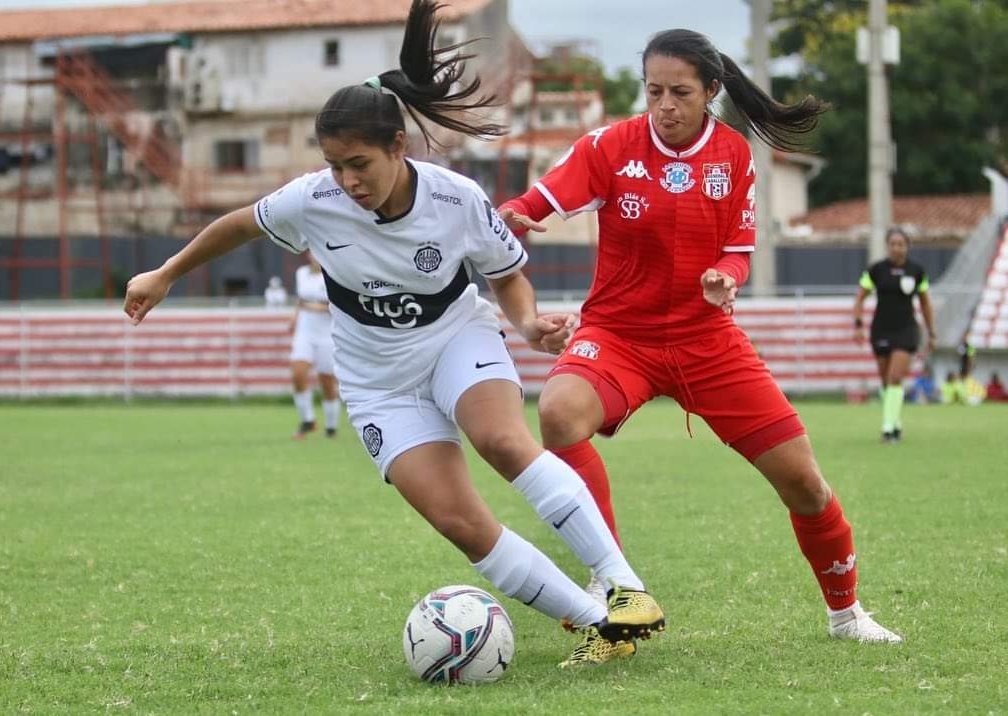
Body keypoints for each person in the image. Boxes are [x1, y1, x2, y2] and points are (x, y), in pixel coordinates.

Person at [123, 0, 662, 667]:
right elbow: (238, 223)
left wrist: (527, 325)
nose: (347, 181)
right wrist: (167, 273)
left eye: (359, 164)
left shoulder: (456, 199)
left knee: (500, 439)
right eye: (334, 165)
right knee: (461, 522)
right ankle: (604, 629)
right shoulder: (311, 200)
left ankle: (626, 588)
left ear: (397, 148)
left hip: (454, 338)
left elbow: (508, 274)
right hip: (377, 381)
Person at [500, 28, 901, 642]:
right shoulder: (610, 146)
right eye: (653, 90)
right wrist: (517, 217)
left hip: (706, 340)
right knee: (558, 414)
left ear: (711, 91)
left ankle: (847, 614)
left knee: (805, 483)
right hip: (619, 335)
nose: (664, 104)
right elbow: (538, 200)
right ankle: (612, 580)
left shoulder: (734, 154)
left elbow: (739, 250)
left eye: (680, 92)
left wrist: (726, 278)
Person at [853, 227, 936, 442]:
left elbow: (925, 304)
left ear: (907, 247)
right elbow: (860, 298)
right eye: (892, 244)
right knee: (885, 381)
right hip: (881, 329)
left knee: (895, 377)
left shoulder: (917, 271)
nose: (896, 248)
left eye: (901, 244)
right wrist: (858, 324)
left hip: (907, 329)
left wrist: (931, 332)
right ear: (887, 246)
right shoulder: (876, 270)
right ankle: (895, 422)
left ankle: (888, 429)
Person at [288, 253, 341, 439]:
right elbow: (300, 300)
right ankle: (308, 420)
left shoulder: (333, 275)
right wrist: (295, 317)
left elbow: (332, 306)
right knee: (297, 373)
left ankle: (331, 427)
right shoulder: (301, 273)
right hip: (304, 333)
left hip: (326, 335)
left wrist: (310, 306)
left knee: (326, 381)